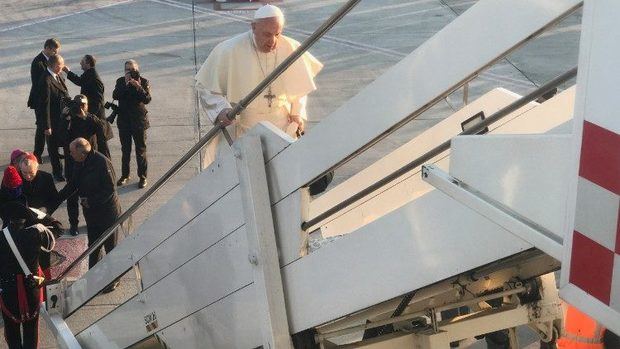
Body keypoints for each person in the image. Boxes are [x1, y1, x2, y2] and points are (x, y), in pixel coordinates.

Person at [195, 4, 322, 167]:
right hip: (244, 128)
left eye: (277, 34)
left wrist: (297, 112)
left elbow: (299, 86)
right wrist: (221, 110)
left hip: (281, 128)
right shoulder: (231, 49)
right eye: (267, 34)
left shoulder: (290, 47)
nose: (273, 42)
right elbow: (206, 86)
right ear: (254, 27)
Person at [56, 138, 121, 292]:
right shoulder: (80, 162)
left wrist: (90, 201)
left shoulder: (102, 163)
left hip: (107, 214)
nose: (70, 155)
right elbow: (73, 184)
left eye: (72, 152)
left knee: (110, 247)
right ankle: (93, 277)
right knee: (94, 247)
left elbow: (110, 190)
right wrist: (55, 199)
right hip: (92, 214)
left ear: (81, 152)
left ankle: (114, 279)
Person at [0, 202, 63, 349]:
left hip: (8, 291)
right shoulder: (36, 233)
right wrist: (37, 214)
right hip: (32, 287)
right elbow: (58, 228)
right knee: (31, 330)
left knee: (12, 332)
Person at [58, 95, 108, 235]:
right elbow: (61, 139)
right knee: (72, 195)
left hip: (90, 163)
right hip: (72, 163)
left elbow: (102, 136)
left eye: (83, 105)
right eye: (78, 105)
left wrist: (88, 117)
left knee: (92, 194)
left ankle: (93, 221)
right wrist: (64, 119)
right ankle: (73, 224)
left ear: (87, 106)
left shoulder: (92, 119)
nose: (81, 108)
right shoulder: (69, 119)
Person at [112, 59, 151, 189]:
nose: (130, 72)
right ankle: (125, 175)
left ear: (137, 70)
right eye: (127, 69)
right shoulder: (120, 81)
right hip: (124, 121)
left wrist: (138, 87)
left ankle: (143, 176)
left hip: (139, 121)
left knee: (140, 150)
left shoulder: (144, 82)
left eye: (133, 69)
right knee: (125, 150)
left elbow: (147, 99)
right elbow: (115, 95)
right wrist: (126, 84)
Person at [63, 54, 113, 158]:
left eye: (82, 61)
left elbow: (98, 101)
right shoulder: (88, 74)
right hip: (91, 115)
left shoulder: (94, 77)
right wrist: (68, 72)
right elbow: (80, 81)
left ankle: (106, 163)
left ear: (88, 64)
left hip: (97, 116)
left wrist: (89, 115)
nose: (80, 63)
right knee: (95, 142)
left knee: (101, 143)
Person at [35, 54, 70, 182]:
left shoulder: (57, 75)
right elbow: (44, 105)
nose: (63, 67)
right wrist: (47, 126)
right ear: (55, 66)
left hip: (62, 119)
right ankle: (57, 172)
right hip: (53, 121)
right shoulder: (46, 80)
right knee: (53, 148)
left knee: (63, 145)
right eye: (61, 65)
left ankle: (65, 170)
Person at [28, 38, 61, 165]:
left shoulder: (53, 60)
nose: (55, 53)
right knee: (42, 126)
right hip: (41, 101)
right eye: (54, 51)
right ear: (47, 48)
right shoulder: (38, 63)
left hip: (52, 101)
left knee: (54, 126)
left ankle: (54, 150)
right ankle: (37, 153)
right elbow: (38, 85)